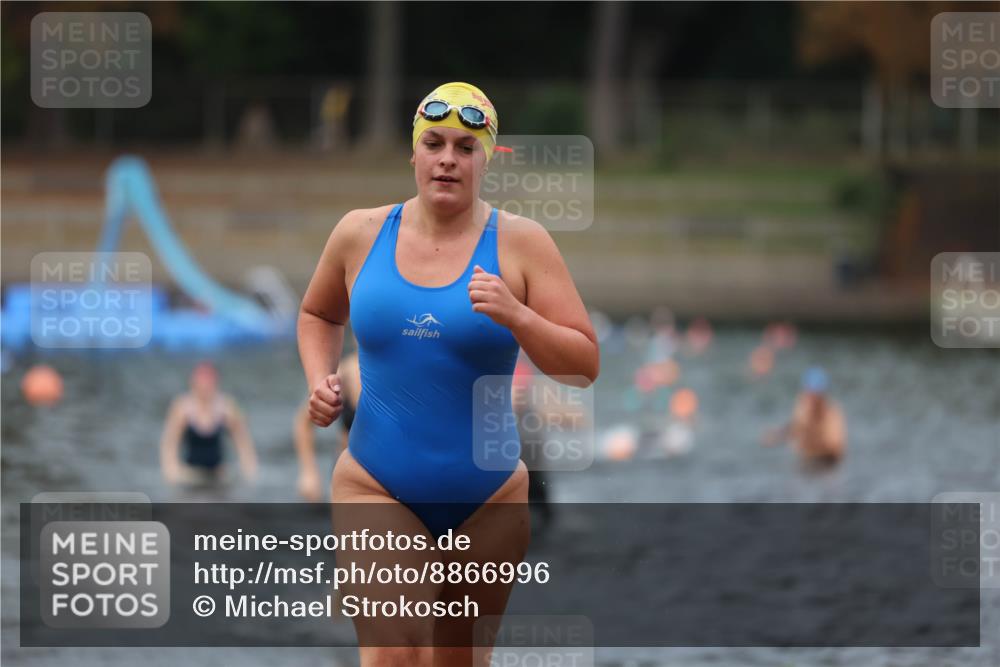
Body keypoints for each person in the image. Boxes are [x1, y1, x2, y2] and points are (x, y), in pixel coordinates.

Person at [297, 81, 599, 666]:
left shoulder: (522, 244)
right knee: (394, 656)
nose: (447, 159)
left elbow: (584, 364)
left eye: (465, 147)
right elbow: (316, 312)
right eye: (433, 143)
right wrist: (320, 377)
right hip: (375, 481)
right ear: (413, 153)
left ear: (487, 158)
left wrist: (518, 316)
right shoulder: (360, 233)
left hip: (489, 499)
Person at [160, 361, 258, 486]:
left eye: (209, 380)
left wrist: (249, 469)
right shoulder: (182, 407)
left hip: (218, 473)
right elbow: (169, 443)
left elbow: (243, 441)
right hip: (191, 474)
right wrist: (171, 470)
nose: (206, 385)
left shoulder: (227, 406)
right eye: (202, 380)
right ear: (193, 382)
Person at [293, 350, 361, 502]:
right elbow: (304, 421)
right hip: (349, 476)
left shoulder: (401, 371)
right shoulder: (345, 372)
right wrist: (309, 473)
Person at [763, 366, 846, 465]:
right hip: (809, 460)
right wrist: (777, 435)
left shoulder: (832, 413)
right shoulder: (803, 406)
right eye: (808, 391)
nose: (809, 396)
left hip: (826, 462)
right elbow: (795, 427)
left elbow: (835, 447)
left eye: (812, 393)